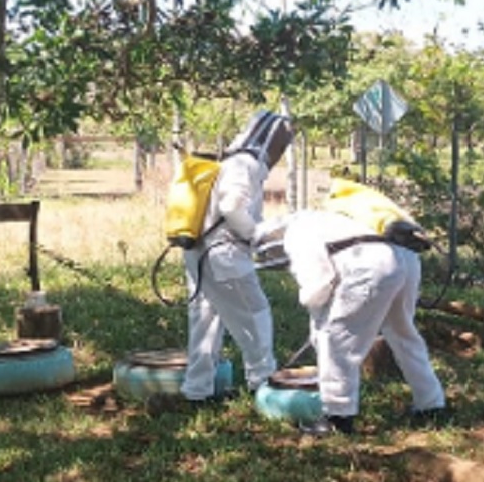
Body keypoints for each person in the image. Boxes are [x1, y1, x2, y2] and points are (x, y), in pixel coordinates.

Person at [253, 207, 446, 436]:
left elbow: (318, 286)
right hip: (405, 259)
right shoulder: (323, 218)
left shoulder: (296, 234)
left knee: (337, 340)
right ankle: (431, 403)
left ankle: (337, 417)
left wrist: (318, 326)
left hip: (373, 265)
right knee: (402, 332)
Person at [180, 110, 292, 403]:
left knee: (205, 322)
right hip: (224, 255)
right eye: (280, 144)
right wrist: (256, 236)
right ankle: (264, 388)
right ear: (267, 139)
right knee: (255, 317)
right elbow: (231, 208)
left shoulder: (230, 161)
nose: (279, 152)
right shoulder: (245, 164)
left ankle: (197, 391)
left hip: (199, 253)